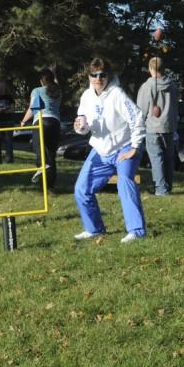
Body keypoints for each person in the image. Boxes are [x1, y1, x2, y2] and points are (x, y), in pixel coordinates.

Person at [72, 56, 148, 243]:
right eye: (94, 75)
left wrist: (135, 147)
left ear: (108, 76)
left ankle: (136, 231)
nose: (98, 79)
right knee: (81, 189)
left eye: (102, 75)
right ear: (89, 76)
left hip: (124, 147)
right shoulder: (86, 97)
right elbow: (84, 125)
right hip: (100, 150)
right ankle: (94, 229)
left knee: (125, 182)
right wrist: (81, 128)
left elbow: (137, 117)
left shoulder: (117, 95)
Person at [136, 56, 178, 195]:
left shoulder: (147, 87)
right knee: (168, 159)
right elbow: (175, 106)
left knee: (156, 159)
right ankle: (168, 186)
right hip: (169, 127)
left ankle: (161, 189)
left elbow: (140, 109)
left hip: (153, 128)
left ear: (150, 69)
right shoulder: (172, 86)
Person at [20, 69, 62, 190]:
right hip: (55, 123)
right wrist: (54, 74)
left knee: (38, 149)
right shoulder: (58, 91)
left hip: (41, 121)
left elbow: (32, 109)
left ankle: (41, 168)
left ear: (41, 81)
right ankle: (51, 185)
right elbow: (56, 84)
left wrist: (23, 121)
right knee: (51, 153)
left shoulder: (37, 90)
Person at [0, 81, 16, 164]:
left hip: (8, 121)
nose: (2, 86)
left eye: (4, 85)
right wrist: (5, 109)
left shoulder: (10, 97)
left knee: (9, 141)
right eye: (1, 85)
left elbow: (12, 110)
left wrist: (0, 109)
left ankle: (9, 160)